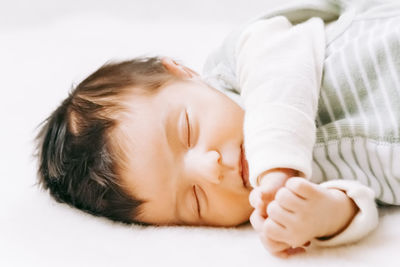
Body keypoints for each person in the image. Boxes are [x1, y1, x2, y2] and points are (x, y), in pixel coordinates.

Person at [35, 0, 400, 258]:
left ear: (182, 72)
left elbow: (281, 67)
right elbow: (362, 200)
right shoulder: (278, 198)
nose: (210, 170)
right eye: (194, 200)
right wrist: (323, 216)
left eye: (187, 131)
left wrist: (274, 160)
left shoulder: (241, 62)